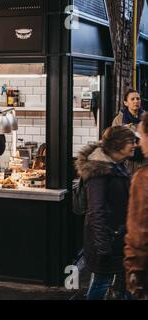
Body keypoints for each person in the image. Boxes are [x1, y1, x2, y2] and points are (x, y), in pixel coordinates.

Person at [75, 126, 137, 300]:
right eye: (130, 142)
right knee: (101, 282)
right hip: (106, 240)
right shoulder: (99, 173)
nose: (134, 145)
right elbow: (96, 212)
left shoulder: (117, 166)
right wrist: (103, 248)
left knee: (116, 282)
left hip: (116, 237)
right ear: (118, 145)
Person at [124, 113, 148, 300]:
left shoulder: (143, 178)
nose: (139, 144)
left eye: (141, 137)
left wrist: (134, 272)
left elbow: (138, 234)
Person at [112, 89, 147, 175]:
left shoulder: (146, 119)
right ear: (126, 103)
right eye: (132, 99)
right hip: (126, 164)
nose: (136, 101)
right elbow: (114, 142)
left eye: (138, 99)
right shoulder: (119, 120)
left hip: (144, 163)